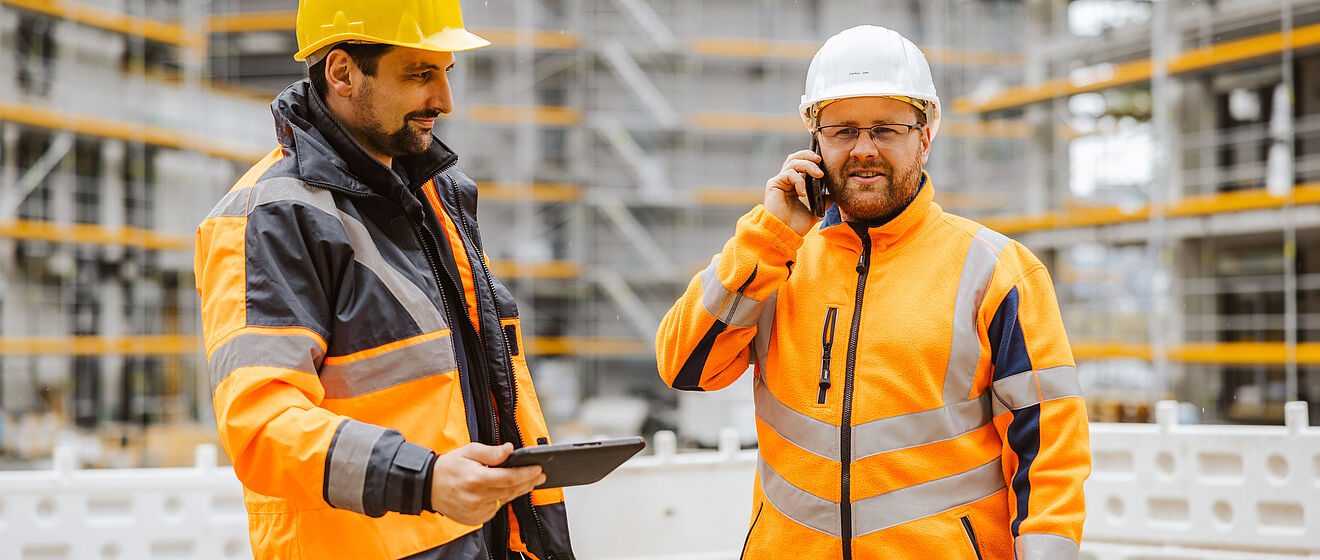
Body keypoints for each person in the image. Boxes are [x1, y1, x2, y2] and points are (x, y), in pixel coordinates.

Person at [655, 25, 1090, 560]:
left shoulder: (997, 269)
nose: (863, 149)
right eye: (843, 131)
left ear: (924, 138)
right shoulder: (772, 256)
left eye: (886, 129)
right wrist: (770, 236)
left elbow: (1048, 449)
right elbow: (684, 367)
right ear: (814, 142)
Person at [194, 1, 575, 558]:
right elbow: (261, 426)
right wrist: (425, 480)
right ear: (343, 73)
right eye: (419, 74)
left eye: (446, 72)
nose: (444, 101)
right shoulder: (271, 215)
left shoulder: (435, 197)